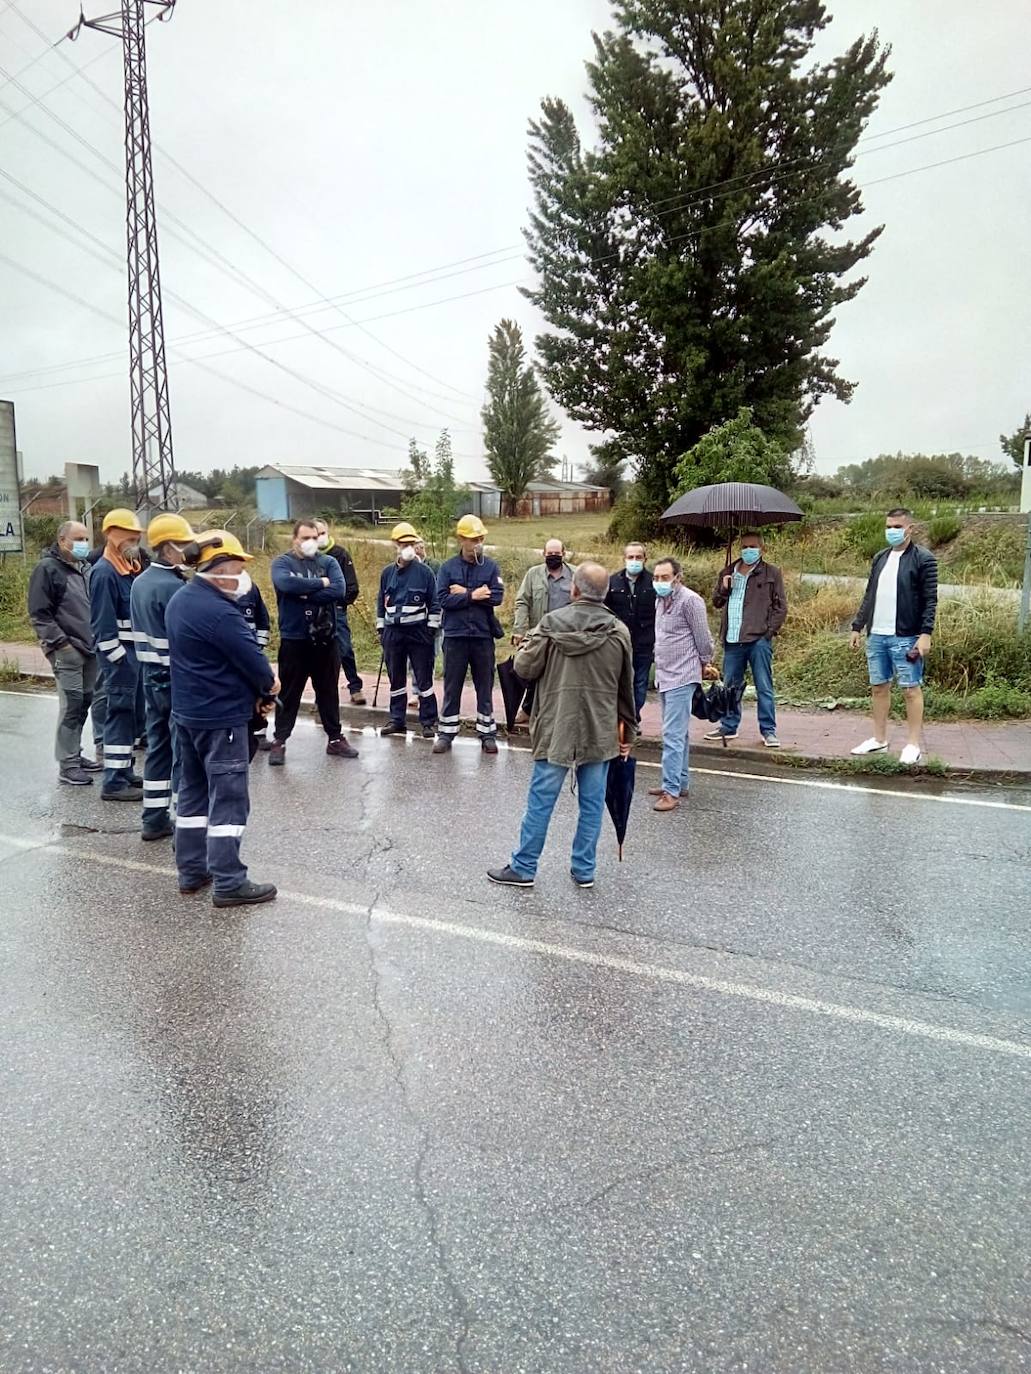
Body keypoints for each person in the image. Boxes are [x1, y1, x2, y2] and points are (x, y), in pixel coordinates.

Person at [487, 563, 637, 889]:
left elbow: (524, 669)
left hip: (556, 723)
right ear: (605, 593)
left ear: (574, 590)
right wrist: (629, 732)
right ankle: (584, 869)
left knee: (541, 801)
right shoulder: (618, 632)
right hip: (600, 729)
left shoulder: (551, 624)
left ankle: (524, 867)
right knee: (593, 804)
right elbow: (627, 687)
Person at [166, 531, 279, 907]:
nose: (243, 578)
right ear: (219, 568)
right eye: (237, 569)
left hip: (187, 715)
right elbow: (256, 665)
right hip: (220, 719)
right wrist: (267, 691)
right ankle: (229, 881)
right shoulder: (219, 612)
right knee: (229, 802)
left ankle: (192, 871)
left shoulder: (181, 600)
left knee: (193, 795)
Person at [849, 507, 938, 765]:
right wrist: (857, 626)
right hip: (876, 634)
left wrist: (925, 634)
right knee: (879, 687)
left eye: (897, 527)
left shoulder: (924, 559)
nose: (892, 531)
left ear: (910, 529)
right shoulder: (880, 558)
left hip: (907, 636)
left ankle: (912, 744)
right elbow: (870, 595)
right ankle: (879, 739)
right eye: (889, 526)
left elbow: (930, 600)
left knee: (911, 689)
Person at [269, 519, 358, 765]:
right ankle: (280, 740)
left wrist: (304, 593)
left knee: (328, 691)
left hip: (325, 639)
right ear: (294, 539)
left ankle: (335, 738)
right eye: (305, 537)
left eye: (314, 537)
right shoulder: (282, 563)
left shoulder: (328, 562)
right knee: (289, 693)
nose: (310, 542)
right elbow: (285, 583)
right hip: (294, 639)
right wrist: (321, 584)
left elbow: (339, 590)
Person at [130, 513, 194, 839]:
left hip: (149, 676)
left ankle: (153, 819)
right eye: (183, 543)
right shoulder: (175, 587)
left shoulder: (140, 582)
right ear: (168, 547)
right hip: (175, 678)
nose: (188, 549)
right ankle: (184, 827)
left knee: (157, 747)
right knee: (183, 752)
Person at [27, 519, 102, 786]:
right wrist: (62, 645)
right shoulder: (48, 569)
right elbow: (39, 614)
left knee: (84, 703)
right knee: (71, 705)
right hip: (67, 650)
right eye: (78, 539)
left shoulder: (85, 568)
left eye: (86, 539)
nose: (83, 544)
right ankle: (67, 764)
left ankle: (74, 753)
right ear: (62, 540)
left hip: (89, 648)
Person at [707, 532, 787, 747]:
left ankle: (768, 730)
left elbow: (780, 607)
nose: (748, 550)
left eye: (752, 546)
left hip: (758, 640)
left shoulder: (771, 573)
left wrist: (768, 633)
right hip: (733, 639)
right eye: (744, 546)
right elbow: (715, 602)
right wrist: (724, 588)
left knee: (764, 686)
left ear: (762, 548)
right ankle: (729, 726)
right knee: (731, 686)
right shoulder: (728, 572)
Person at [433, 515, 504, 755]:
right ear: (461, 539)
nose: (478, 543)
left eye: (481, 538)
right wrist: (474, 596)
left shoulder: (491, 567)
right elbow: (443, 599)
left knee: (485, 685)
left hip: (483, 636)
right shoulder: (447, 568)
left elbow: (497, 596)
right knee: (452, 686)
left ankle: (487, 733)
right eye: (473, 539)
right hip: (455, 636)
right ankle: (446, 733)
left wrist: (464, 593)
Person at [90, 508, 145, 801]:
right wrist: (119, 660)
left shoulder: (128, 567)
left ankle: (124, 770)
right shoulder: (104, 572)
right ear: (111, 534)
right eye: (129, 536)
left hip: (132, 656)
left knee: (131, 717)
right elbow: (103, 625)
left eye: (136, 537)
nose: (134, 541)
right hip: (121, 658)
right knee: (119, 715)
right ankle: (113, 782)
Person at [650, 556, 714, 812]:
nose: (659, 582)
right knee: (678, 733)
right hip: (665, 675)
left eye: (664, 577)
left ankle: (671, 791)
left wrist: (706, 662)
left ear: (678, 577)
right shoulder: (660, 600)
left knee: (672, 735)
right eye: (656, 577)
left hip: (682, 675)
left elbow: (703, 638)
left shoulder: (691, 601)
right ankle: (679, 781)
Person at [376, 521, 441, 739]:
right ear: (396, 544)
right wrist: (381, 629)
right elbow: (380, 603)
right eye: (404, 543)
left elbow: (434, 602)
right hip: (393, 633)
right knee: (396, 678)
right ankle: (397, 720)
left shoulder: (425, 572)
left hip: (419, 632)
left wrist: (431, 629)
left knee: (424, 679)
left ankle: (429, 722)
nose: (408, 547)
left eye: (411, 543)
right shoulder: (387, 573)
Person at [512, 538, 575, 723]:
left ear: (564, 554)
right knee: (533, 673)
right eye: (550, 554)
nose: (553, 557)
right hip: (539, 634)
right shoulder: (533, 574)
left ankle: (557, 714)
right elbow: (522, 601)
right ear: (543, 554)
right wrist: (519, 629)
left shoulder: (576, 574)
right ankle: (527, 710)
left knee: (562, 677)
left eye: (557, 554)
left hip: (566, 635)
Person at [313, 518, 366, 705]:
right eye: (315, 534)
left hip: (337, 610)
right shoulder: (307, 558)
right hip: (315, 612)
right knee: (319, 653)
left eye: (321, 533)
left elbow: (351, 587)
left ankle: (355, 687)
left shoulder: (340, 554)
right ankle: (323, 695)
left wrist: (336, 599)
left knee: (344, 649)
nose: (319, 537)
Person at [605, 542, 656, 717]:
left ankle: (633, 718)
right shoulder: (612, 581)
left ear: (645, 559)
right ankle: (620, 716)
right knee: (619, 682)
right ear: (624, 559)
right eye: (631, 557)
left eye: (638, 557)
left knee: (640, 683)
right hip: (619, 643)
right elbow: (605, 611)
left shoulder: (654, 582)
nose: (634, 561)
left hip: (644, 643)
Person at [237, 575, 274, 756]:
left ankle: (259, 732)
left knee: (259, 692)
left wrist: (258, 648)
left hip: (252, 654)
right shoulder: (212, 596)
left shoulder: (251, 588)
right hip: (233, 657)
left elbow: (262, 619)